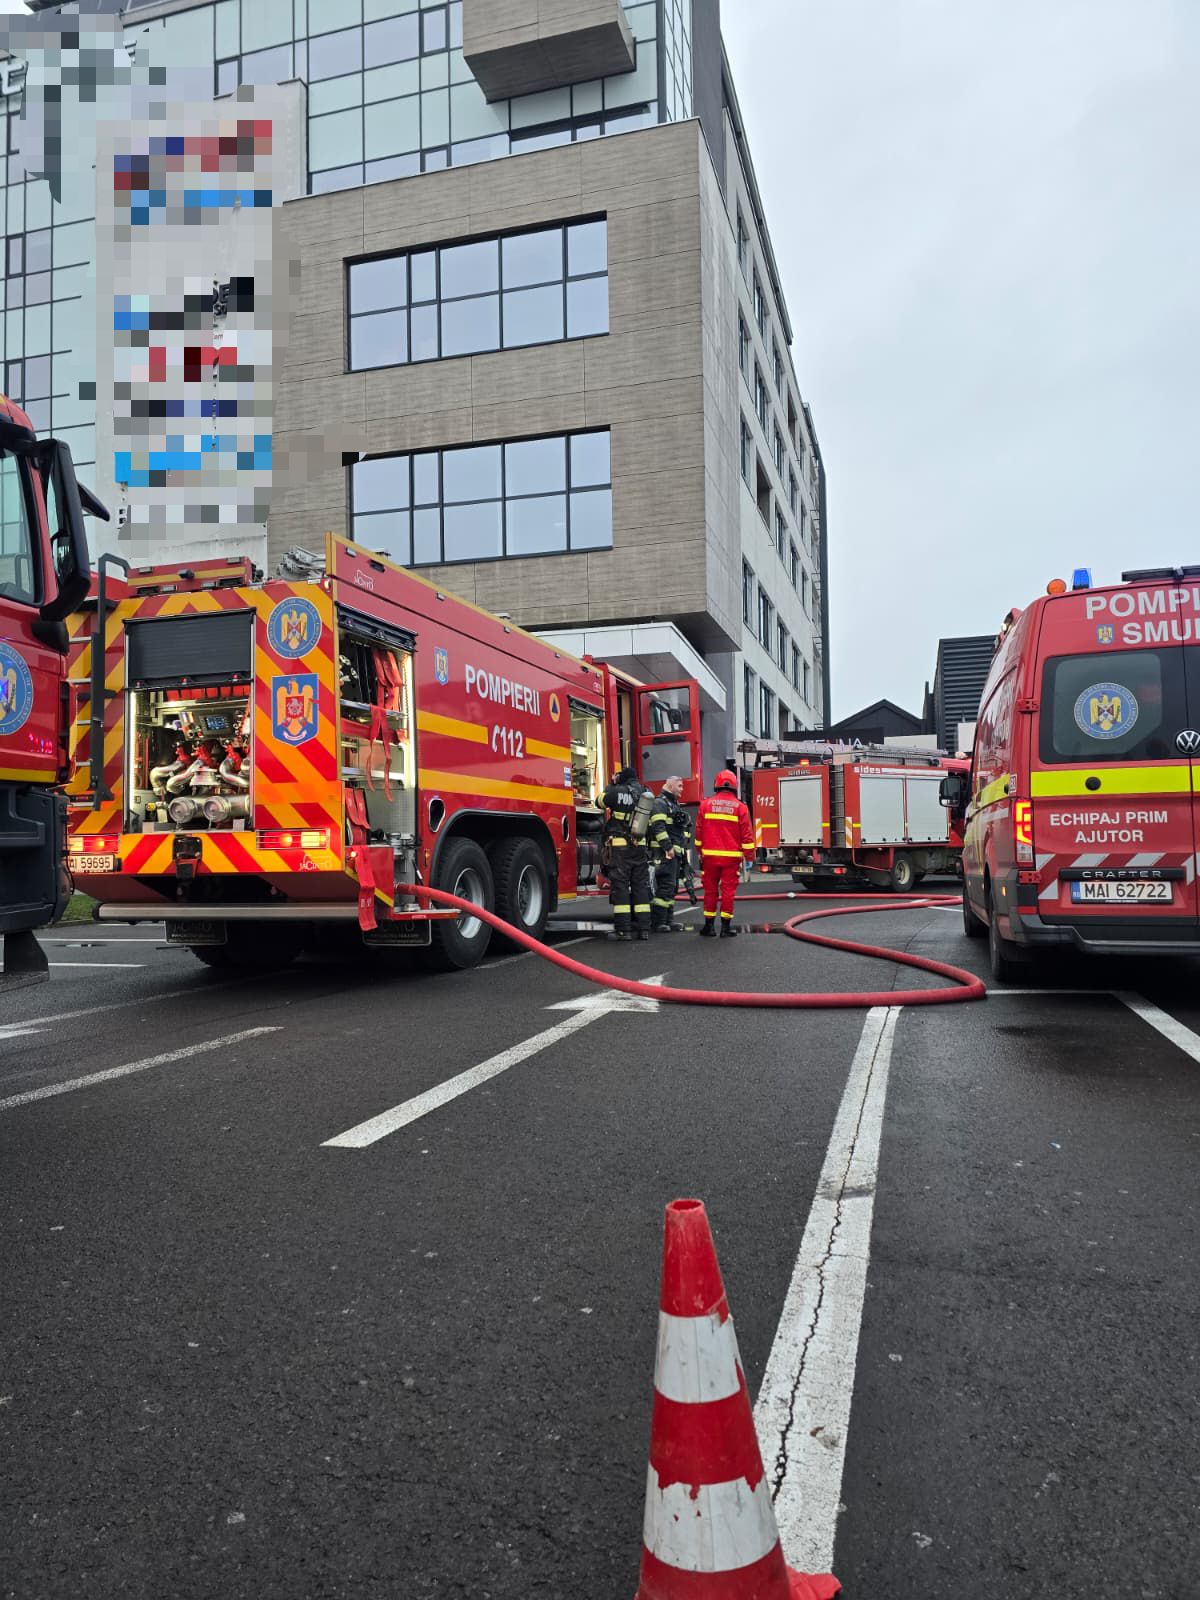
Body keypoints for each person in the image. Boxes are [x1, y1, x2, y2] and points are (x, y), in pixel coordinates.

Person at [695, 768, 753, 937]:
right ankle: (725, 928)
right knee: (728, 892)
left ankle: (709, 927)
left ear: (717, 785)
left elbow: (699, 832)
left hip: (710, 857)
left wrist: (699, 851)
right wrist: (749, 857)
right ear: (734, 785)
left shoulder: (705, 804)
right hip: (731, 858)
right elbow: (747, 835)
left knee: (710, 891)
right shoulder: (741, 807)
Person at [599, 766, 652, 940]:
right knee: (640, 886)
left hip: (620, 846)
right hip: (640, 845)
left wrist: (611, 785)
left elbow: (599, 802)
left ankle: (624, 930)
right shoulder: (645, 793)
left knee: (620, 886)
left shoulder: (617, 791)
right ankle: (644, 929)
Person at [649, 775, 692, 932]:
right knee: (665, 886)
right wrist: (668, 847)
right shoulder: (660, 803)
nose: (682, 789)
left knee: (672, 887)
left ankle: (668, 920)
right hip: (664, 853)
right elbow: (658, 828)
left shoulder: (673, 804)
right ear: (670, 786)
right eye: (679, 786)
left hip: (674, 853)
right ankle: (659, 922)